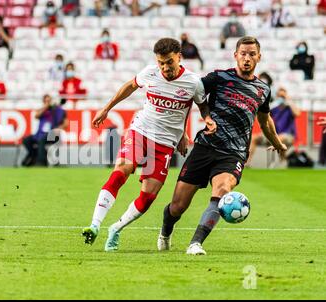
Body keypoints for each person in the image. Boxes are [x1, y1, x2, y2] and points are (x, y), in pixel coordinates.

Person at [81, 38, 216, 251]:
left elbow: (199, 105)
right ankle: (94, 225)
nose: (165, 67)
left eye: (169, 62)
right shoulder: (150, 73)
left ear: (179, 57)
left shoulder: (193, 82)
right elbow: (129, 86)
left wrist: (193, 127)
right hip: (140, 131)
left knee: (147, 198)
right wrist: (107, 108)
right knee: (121, 170)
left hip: (165, 143)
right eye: (161, 62)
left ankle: (115, 228)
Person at [157, 36, 287, 256]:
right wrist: (184, 131)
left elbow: (265, 120)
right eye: (243, 54)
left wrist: (278, 143)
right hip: (205, 146)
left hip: (233, 154)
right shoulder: (218, 77)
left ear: (259, 57)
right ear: (235, 55)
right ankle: (165, 232)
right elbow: (192, 95)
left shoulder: (262, 90)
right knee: (177, 206)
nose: (247, 58)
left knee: (222, 191)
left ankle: (195, 243)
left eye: (252, 54)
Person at [247, 87, 300, 166]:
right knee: (254, 138)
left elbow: (297, 113)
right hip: (274, 135)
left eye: (283, 96)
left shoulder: (289, 107)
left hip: (289, 135)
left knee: (280, 139)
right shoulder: (274, 107)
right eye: (280, 96)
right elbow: (264, 117)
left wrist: (288, 100)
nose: (281, 98)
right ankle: (247, 163)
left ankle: (283, 162)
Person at [21, 94, 68, 166]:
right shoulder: (42, 110)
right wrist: (45, 107)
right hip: (39, 134)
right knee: (26, 140)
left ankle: (41, 162)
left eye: (49, 101)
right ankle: (34, 154)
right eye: (46, 101)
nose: (48, 102)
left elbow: (65, 123)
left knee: (41, 140)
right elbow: (36, 116)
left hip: (52, 135)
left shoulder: (56, 110)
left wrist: (58, 128)